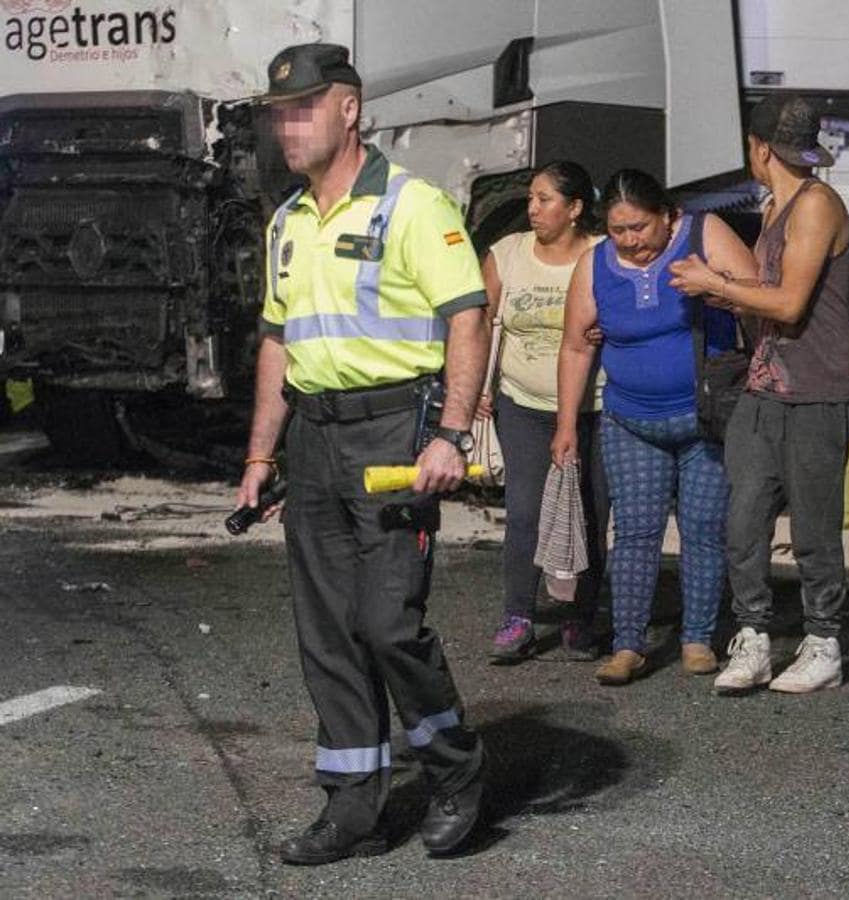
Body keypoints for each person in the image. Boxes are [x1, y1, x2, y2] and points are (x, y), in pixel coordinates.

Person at [236, 43, 488, 864]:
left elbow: (466, 316)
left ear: (349, 108)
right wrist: (259, 461)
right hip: (313, 439)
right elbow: (277, 342)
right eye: (279, 113)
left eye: (303, 107)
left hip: (393, 437)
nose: (288, 126)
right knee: (329, 635)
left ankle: (454, 773)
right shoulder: (288, 220)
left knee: (386, 626)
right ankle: (352, 807)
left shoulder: (413, 206)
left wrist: (450, 434)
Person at [669, 95, 849, 694]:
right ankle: (752, 637)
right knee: (744, 519)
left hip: (817, 390)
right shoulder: (777, 203)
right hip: (764, 385)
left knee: (812, 528)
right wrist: (724, 295)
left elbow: (788, 303)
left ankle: (824, 642)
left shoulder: (816, 205)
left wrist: (716, 280)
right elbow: (764, 305)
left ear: (757, 148)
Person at [552, 169, 759, 685]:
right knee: (636, 533)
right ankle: (627, 645)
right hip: (631, 419)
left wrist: (718, 288)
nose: (630, 241)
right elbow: (577, 345)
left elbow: (760, 296)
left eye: (640, 228)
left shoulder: (703, 234)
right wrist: (566, 425)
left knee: (704, 530)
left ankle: (697, 638)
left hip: (703, 420)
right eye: (619, 230)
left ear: (668, 217)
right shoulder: (594, 264)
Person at [479, 161, 608, 663]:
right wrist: (476, 390)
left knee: (592, 513)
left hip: (595, 405)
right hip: (524, 405)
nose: (532, 209)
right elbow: (478, 323)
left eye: (544, 199)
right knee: (526, 513)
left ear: (575, 209)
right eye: (531, 199)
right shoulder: (508, 254)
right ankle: (518, 617)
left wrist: (609, 330)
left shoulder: (602, 256)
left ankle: (581, 619)